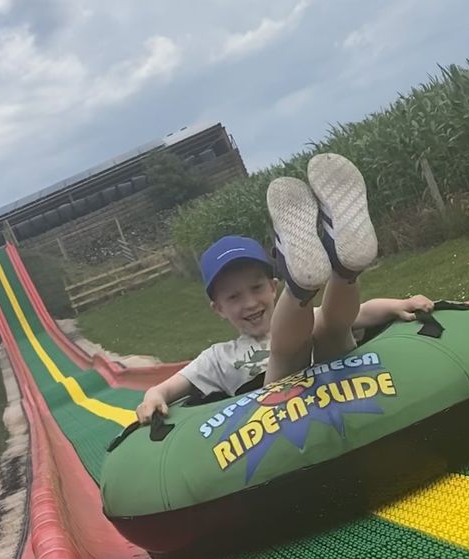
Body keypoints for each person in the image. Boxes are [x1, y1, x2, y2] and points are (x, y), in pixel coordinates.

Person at [136, 154, 433, 423]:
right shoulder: (217, 358)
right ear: (218, 308)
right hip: (280, 416)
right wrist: (154, 396)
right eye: (234, 296)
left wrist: (398, 304)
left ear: (272, 287)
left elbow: (363, 312)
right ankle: (308, 283)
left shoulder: (310, 319)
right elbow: (170, 386)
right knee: (289, 348)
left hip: (342, 385)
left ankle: (345, 269)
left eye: (256, 288)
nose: (250, 302)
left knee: (332, 327)